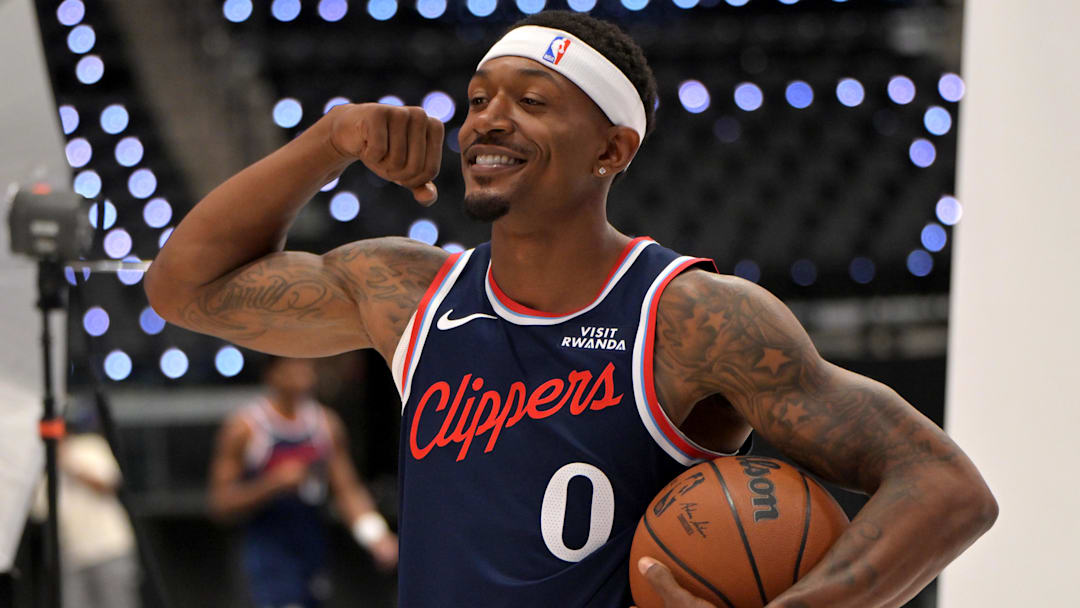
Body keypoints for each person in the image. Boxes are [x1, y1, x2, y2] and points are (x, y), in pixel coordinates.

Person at [147, 10, 997, 607]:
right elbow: (183, 289)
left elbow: (944, 488)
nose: (488, 121)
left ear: (611, 149)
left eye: (532, 101)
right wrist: (327, 143)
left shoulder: (692, 318)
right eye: (479, 98)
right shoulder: (407, 292)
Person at [208, 356, 397, 608]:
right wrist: (272, 484)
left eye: (306, 364)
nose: (303, 371)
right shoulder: (245, 428)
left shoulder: (325, 424)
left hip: (311, 546)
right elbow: (221, 503)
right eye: (293, 364)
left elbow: (347, 490)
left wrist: (375, 535)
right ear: (272, 373)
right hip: (266, 552)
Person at [32, 427, 140, 608]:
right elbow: (39, 513)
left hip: (109, 549)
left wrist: (68, 464)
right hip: (71, 557)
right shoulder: (45, 471)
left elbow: (108, 485)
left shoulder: (89, 447)